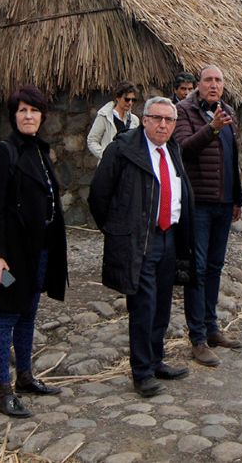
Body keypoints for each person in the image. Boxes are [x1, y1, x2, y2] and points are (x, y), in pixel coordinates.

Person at [89, 97, 195, 397]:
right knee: (143, 306)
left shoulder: (172, 149)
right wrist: (117, 231)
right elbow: (99, 195)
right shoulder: (123, 150)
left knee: (162, 303)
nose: (163, 125)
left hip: (169, 237)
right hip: (140, 240)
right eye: (157, 118)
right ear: (144, 119)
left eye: (169, 120)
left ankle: (156, 360)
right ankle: (142, 372)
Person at [0, 84, 68, 418]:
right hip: (10, 257)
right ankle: (2, 391)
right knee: (6, 316)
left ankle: (25, 377)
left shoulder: (38, 151)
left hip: (38, 252)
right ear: (13, 116)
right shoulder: (5, 153)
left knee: (28, 313)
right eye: (22, 110)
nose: (28, 116)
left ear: (42, 115)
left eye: (33, 110)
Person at [174, 65, 242, 367]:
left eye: (218, 80)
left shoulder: (227, 111)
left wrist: (237, 198)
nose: (213, 85)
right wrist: (212, 128)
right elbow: (182, 149)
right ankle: (198, 338)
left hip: (223, 202)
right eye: (208, 80)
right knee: (197, 269)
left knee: (215, 266)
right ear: (197, 85)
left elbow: (232, 156)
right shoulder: (183, 110)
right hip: (198, 203)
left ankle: (212, 328)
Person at [87, 81, 140, 161]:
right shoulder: (104, 116)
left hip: (128, 167)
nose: (130, 103)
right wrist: (106, 155)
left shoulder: (134, 120)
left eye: (133, 100)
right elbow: (92, 141)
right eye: (127, 99)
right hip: (110, 166)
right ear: (118, 98)